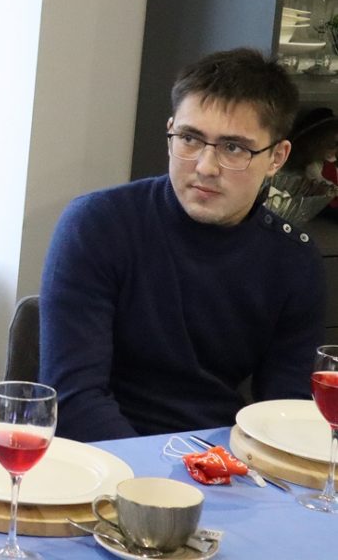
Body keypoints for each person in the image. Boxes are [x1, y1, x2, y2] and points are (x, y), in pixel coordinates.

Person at [39, 47, 326, 442]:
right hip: (101, 456)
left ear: (277, 157)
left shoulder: (293, 260)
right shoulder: (98, 225)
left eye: (234, 148)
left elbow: (285, 413)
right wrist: (155, 477)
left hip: (220, 456)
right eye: (190, 139)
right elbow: (74, 400)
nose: (205, 167)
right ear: (171, 130)